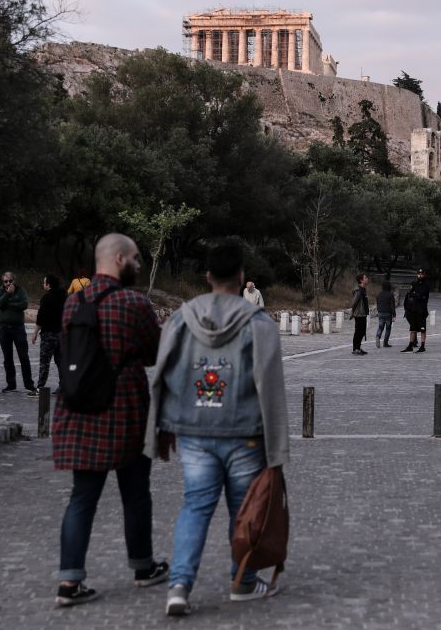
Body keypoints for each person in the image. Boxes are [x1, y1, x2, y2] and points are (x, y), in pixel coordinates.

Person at [144, 242, 289, 616]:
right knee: (243, 510)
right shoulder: (259, 324)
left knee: (194, 507)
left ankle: (179, 586)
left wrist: (162, 428)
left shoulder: (180, 318)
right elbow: (270, 389)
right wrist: (277, 453)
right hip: (246, 433)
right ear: (242, 278)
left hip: (194, 432)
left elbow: (164, 376)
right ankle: (242, 580)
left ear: (207, 277)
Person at [52, 233, 167, 607]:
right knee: (135, 494)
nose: (138, 264)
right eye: (135, 258)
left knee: (81, 497)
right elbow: (153, 354)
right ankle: (143, 566)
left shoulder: (74, 302)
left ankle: (69, 581)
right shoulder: (134, 302)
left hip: (78, 408)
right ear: (119, 259)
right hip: (124, 412)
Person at [0, 271, 36, 393]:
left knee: (24, 356)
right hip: (4, 328)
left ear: (14, 281)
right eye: (5, 281)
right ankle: (11, 384)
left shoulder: (21, 290)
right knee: (7, 357)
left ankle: (29, 384)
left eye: (10, 281)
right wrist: (7, 294)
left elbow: (24, 304)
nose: (7, 283)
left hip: (18, 327)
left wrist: (8, 304)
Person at [28, 274, 67, 397]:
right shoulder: (64, 296)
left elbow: (41, 317)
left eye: (44, 282)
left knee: (45, 362)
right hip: (62, 333)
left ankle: (40, 387)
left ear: (48, 284)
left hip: (49, 334)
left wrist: (35, 332)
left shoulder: (46, 298)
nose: (43, 284)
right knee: (61, 361)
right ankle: (63, 386)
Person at [401, 269, 430, 353]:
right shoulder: (414, 283)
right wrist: (416, 295)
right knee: (412, 328)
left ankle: (422, 345)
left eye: (421, 274)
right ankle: (410, 345)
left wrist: (416, 295)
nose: (420, 275)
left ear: (424, 275)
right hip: (413, 309)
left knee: (422, 329)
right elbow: (409, 294)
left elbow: (422, 295)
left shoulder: (426, 284)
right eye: (419, 274)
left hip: (422, 310)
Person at [350, 273, 370, 355]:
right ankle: (355, 349)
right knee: (358, 332)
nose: (367, 279)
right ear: (361, 280)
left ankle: (358, 347)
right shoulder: (358, 290)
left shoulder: (363, 289)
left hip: (363, 313)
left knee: (362, 331)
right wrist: (353, 312)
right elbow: (354, 302)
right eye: (365, 278)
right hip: (359, 314)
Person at [374, 280, 396, 348]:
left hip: (380, 312)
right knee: (388, 328)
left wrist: (378, 311)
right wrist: (394, 314)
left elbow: (377, 303)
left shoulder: (379, 294)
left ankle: (378, 336)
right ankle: (385, 343)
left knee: (380, 327)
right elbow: (392, 305)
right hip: (388, 313)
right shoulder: (390, 294)